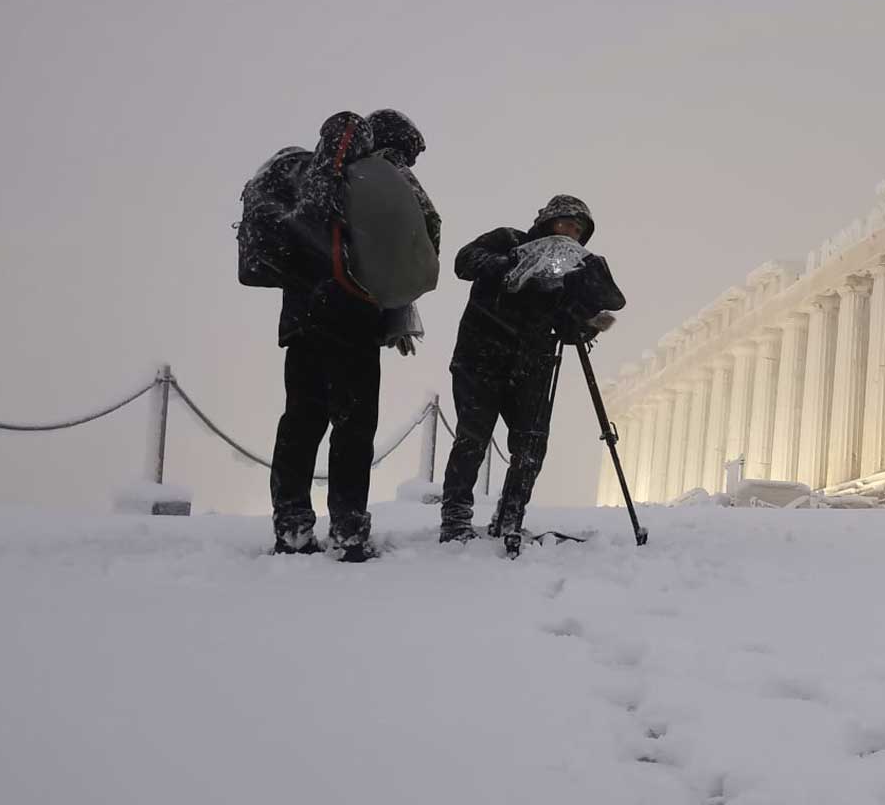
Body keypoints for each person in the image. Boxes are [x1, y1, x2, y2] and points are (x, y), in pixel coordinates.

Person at [265, 109, 440, 561]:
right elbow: (425, 240)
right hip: (353, 320)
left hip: (303, 317)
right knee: (353, 428)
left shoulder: (311, 175)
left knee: (301, 421)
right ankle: (347, 530)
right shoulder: (385, 178)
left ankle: (293, 527)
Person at [439, 194, 625, 551]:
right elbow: (464, 262)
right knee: (471, 438)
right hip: (481, 358)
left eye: (577, 228)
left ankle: (511, 517)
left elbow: (569, 330)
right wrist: (516, 263)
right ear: (548, 222)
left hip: (532, 365)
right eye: (565, 223)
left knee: (531, 445)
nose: (570, 232)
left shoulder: (570, 271)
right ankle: (456, 518)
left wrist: (587, 320)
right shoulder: (509, 240)